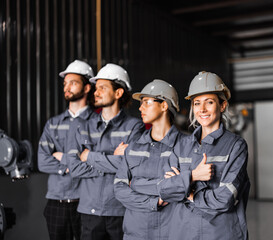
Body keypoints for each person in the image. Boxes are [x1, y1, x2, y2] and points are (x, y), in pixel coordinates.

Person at [158, 71, 250, 240]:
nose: (202, 109)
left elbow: (225, 199)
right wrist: (193, 176)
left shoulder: (236, 146)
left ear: (222, 106)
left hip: (221, 234)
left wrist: (188, 192)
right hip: (183, 232)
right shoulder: (181, 145)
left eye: (209, 102)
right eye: (197, 103)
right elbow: (165, 190)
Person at [63, 63, 144, 240]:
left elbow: (131, 166)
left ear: (118, 93)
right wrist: (113, 160)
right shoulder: (82, 126)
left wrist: (89, 156)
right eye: (95, 88)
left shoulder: (134, 127)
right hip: (89, 212)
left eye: (102, 87)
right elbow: (75, 169)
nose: (96, 92)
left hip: (120, 211)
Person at [111, 79, 186, 240]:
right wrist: (156, 200)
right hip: (135, 233)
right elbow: (119, 189)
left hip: (171, 233)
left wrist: (136, 184)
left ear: (164, 105)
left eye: (146, 102)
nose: (140, 108)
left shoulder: (186, 146)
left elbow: (182, 189)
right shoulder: (133, 147)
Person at [38, 59, 97, 240]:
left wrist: (62, 157)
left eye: (73, 83)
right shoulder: (53, 124)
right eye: (65, 83)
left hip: (86, 203)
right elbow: (42, 162)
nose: (67, 87)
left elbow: (97, 163)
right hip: (57, 203)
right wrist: (74, 165)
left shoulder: (97, 124)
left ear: (87, 88)